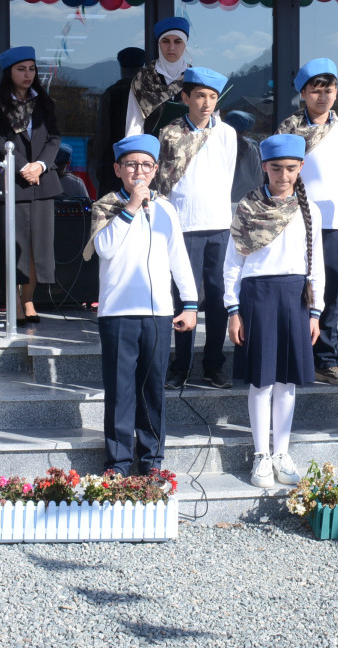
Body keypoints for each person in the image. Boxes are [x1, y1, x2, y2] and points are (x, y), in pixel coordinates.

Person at [84, 134, 198, 476]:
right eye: (131, 165)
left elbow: (179, 259)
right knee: (120, 391)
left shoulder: (165, 209)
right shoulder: (106, 205)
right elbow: (103, 248)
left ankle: (151, 461)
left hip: (158, 313)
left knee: (153, 390)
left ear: (155, 169)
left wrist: (190, 303)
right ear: (118, 169)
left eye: (146, 165)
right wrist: (131, 207)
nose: (139, 171)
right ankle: (117, 462)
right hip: (118, 312)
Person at [224, 134, 324, 488]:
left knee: (287, 381)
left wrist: (316, 312)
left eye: (291, 168)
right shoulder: (247, 207)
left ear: (300, 168)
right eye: (276, 168)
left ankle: (282, 451)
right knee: (262, 380)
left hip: (295, 297)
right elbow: (233, 263)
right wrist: (233, 309)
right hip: (258, 295)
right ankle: (261, 455)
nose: (284, 175)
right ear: (264, 167)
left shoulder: (308, 209)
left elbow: (316, 265)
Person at [277, 58, 338, 388]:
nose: (323, 96)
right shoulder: (289, 129)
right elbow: (276, 174)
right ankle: (295, 354)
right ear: (303, 93)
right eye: (315, 90)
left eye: (329, 89)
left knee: (327, 292)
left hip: (334, 224)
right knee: (294, 288)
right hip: (293, 222)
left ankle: (325, 360)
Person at [156, 67, 238, 391]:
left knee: (217, 297)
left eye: (213, 97)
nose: (206, 103)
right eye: (200, 96)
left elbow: (227, 173)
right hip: (183, 226)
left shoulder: (227, 133)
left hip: (218, 225)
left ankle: (214, 364)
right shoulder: (170, 133)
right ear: (185, 97)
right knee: (185, 299)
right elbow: (163, 180)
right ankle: (182, 365)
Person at [0, 46, 61, 325]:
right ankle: (13, 303)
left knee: (39, 248)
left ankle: (29, 301)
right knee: (13, 248)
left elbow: (54, 139)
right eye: (21, 69)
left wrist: (39, 165)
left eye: (31, 68)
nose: (27, 74)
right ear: (9, 73)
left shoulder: (44, 102)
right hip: (12, 181)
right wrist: (21, 167)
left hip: (42, 182)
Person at [94, 46, 146, 195]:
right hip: (145, 164)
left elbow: (102, 134)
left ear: (121, 67)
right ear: (142, 68)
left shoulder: (111, 93)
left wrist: (99, 162)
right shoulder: (151, 95)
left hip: (114, 164)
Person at [126, 17, 191, 137]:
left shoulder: (196, 80)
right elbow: (134, 126)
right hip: (151, 153)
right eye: (165, 41)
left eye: (177, 41)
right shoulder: (143, 80)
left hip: (189, 153)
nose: (171, 47)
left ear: (185, 44)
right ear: (159, 44)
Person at [224, 110, 263, 202]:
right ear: (246, 131)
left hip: (222, 200)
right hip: (245, 201)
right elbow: (258, 179)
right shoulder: (251, 149)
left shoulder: (218, 145)